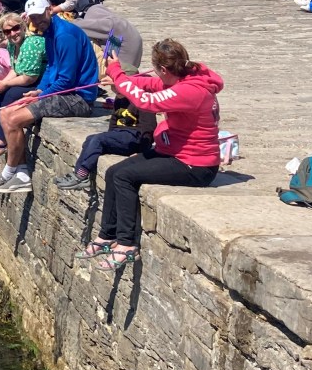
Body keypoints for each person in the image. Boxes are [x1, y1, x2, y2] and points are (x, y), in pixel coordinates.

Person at [76, 40, 222, 270]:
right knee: (114, 171)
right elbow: (149, 84)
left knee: (125, 177)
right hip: (174, 153)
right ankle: (107, 236)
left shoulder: (189, 91)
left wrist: (117, 73)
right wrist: (120, 80)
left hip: (196, 166)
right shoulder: (181, 79)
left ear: (163, 69)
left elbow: (148, 101)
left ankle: (126, 245)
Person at [0, 0, 99, 194]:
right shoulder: (49, 32)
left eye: (40, 16)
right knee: (5, 112)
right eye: (33, 18)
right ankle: (21, 173)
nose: (38, 21)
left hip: (79, 98)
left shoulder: (64, 35)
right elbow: (50, 69)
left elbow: (67, 80)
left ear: (49, 10)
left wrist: (41, 96)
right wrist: (39, 90)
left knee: (14, 119)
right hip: (62, 92)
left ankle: (9, 172)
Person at [0, 13, 46, 160]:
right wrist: (1, 84)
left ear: (23, 26)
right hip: (26, 79)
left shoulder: (31, 44)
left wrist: (5, 83)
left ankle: (1, 142)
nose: (12, 33)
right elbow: (15, 69)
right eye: (7, 31)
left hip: (40, 82)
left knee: (9, 95)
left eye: (15, 28)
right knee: (0, 94)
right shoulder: (12, 45)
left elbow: (29, 78)